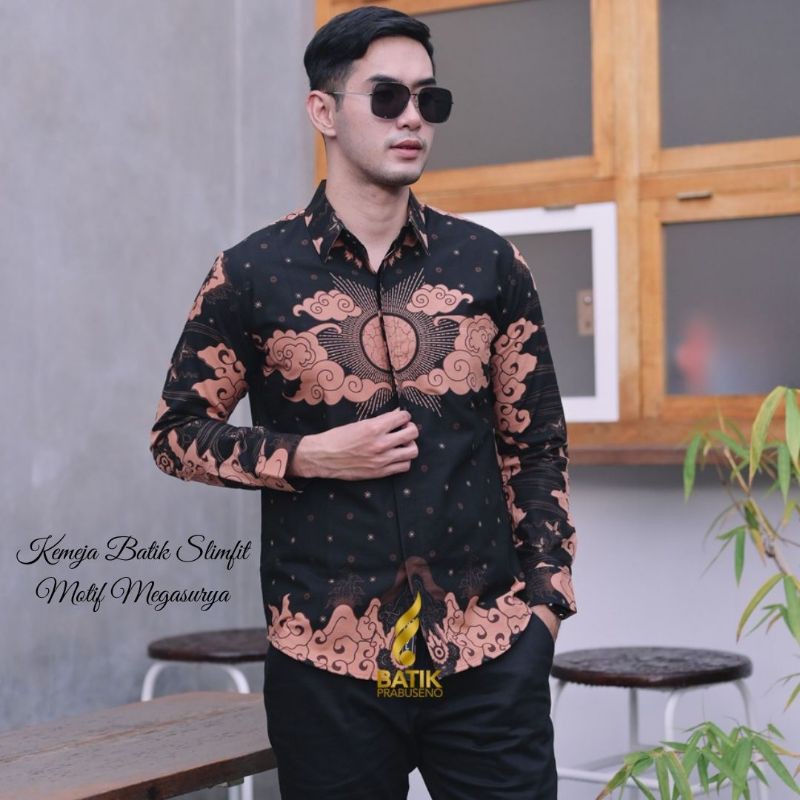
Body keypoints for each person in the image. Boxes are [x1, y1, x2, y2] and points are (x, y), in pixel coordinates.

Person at [150, 5, 578, 798]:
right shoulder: (251, 274)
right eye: (387, 97)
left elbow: (536, 444)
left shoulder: (490, 265)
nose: (413, 117)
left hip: (487, 658)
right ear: (324, 111)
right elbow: (175, 435)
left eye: (429, 99)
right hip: (327, 666)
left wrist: (545, 607)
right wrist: (308, 455)